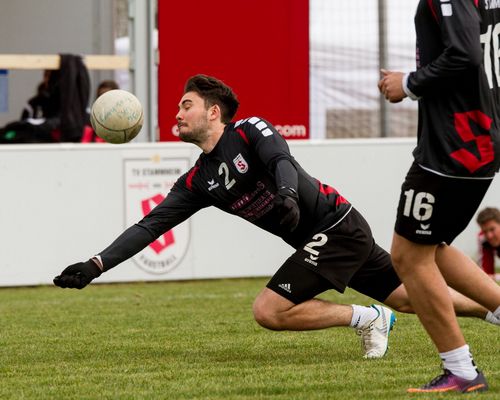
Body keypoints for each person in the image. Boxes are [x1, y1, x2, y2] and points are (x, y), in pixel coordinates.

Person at [54, 74, 498, 362]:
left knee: (268, 310)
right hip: (323, 240)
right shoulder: (197, 181)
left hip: (336, 225)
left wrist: (287, 193)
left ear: (213, 112)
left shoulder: (248, 130)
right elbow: (149, 226)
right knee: (405, 298)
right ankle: (493, 310)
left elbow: (281, 159)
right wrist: (96, 265)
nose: (177, 113)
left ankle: (367, 318)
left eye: (185, 105)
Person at [378, 0, 500, 393]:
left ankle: (461, 370)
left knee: (408, 254)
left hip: (454, 148)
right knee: (433, 247)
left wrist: (408, 83)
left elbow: (464, 53)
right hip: (477, 137)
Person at [476, 207, 500, 280]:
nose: (489, 236)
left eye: (492, 229)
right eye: (485, 231)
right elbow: (486, 274)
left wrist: (495, 277)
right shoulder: (483, 239)